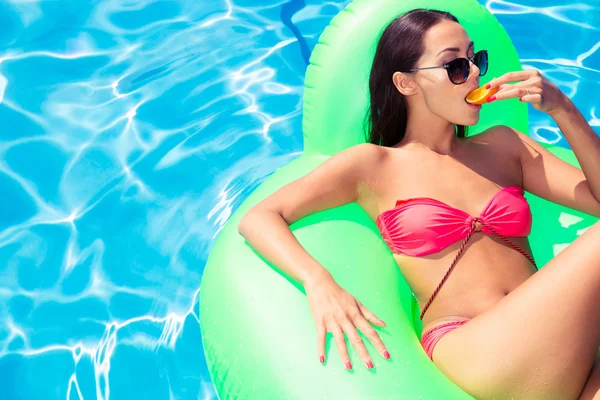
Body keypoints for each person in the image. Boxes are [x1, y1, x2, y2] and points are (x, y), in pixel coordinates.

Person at [237, 8, 600, 400]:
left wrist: (562, 109)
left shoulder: (504, 146)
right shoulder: (372, 165)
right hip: (475, 349)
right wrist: (319, 282)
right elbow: (260, 217)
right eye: (455, 66)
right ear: (406, 83)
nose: (475, 74)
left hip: (555, 343)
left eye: (475, 60)